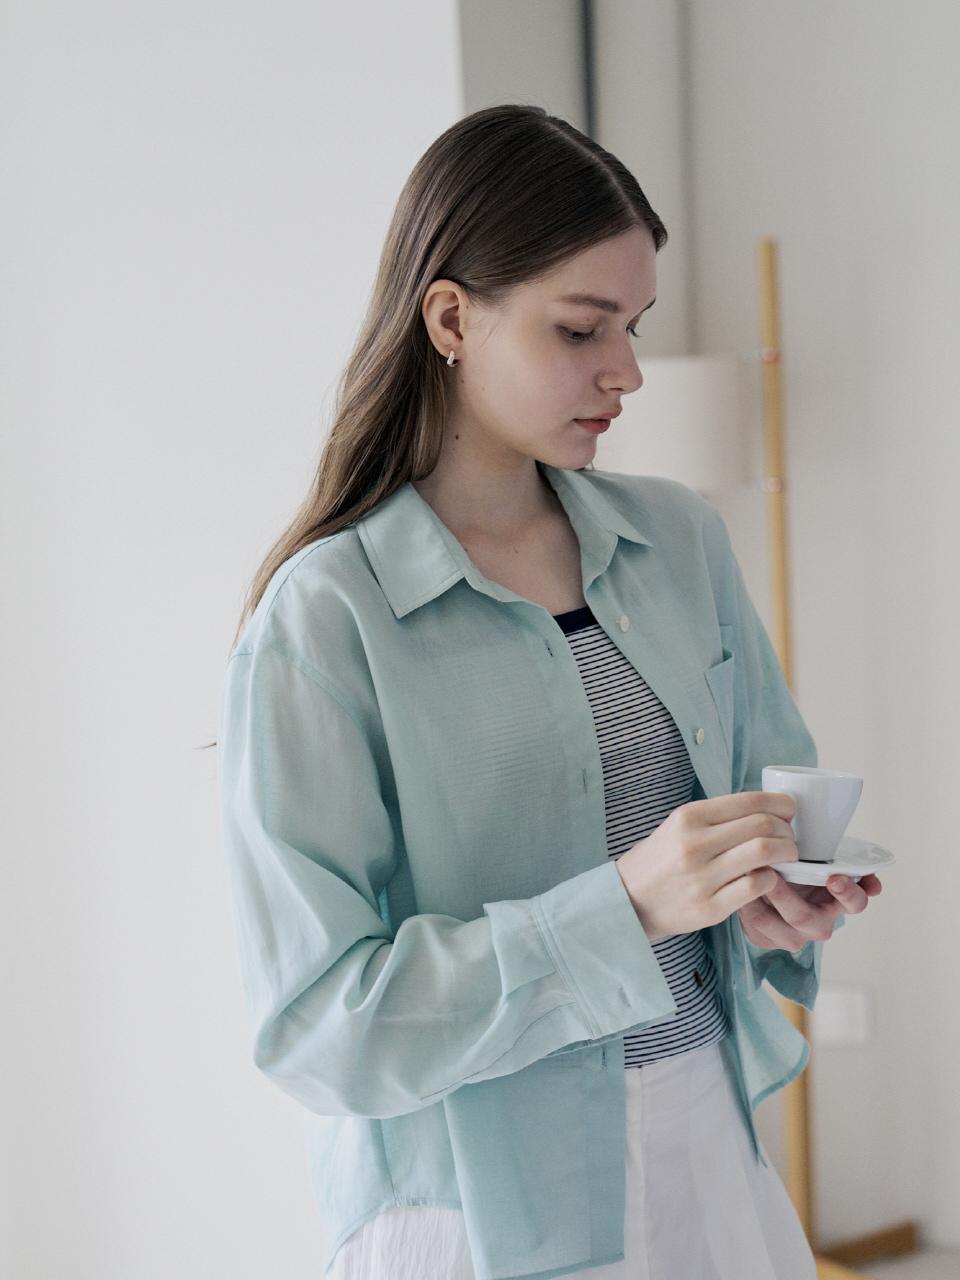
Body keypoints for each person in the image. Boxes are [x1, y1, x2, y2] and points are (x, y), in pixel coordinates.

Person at [215, 104, 882, 1280]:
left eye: (634, 326)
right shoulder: (327, 618)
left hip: (709, 1149)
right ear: (451, 319)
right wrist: (624, 905)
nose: (626, 371)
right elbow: (320, 1028)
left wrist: (772, 895)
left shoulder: (680, 541)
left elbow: (753, 802)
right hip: (473, 1206)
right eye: (582, 328)